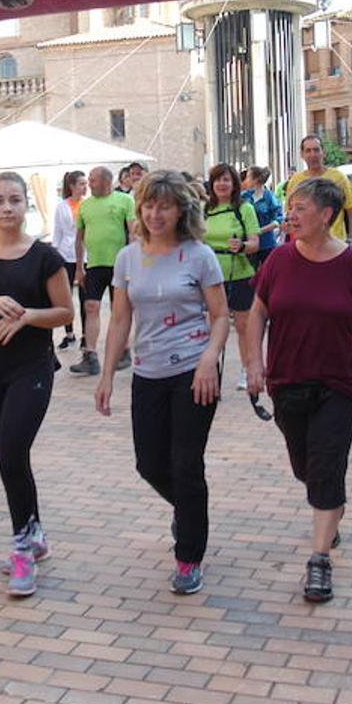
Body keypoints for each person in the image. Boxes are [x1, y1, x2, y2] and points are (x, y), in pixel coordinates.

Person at [246, 176, 352, 604]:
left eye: (301, 207)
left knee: (326, 464)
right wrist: (254, 362)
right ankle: (330, 504)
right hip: (287, 379)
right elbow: (257, 314)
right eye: (291, 207)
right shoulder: (279, 261)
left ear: (327, 215)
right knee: (305, 467)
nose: (292, 215)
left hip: (339, 382)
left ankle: (319, 560)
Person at [95, 171, 229, 595]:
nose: (155, 214)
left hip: (194, 372)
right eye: (149, 205)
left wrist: (211, 357)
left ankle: (188, 555)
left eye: (164, 206)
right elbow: (119, 320)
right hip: (148, 373)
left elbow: (221, 316)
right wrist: (106, 375)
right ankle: (191, 511)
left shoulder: (199, 255)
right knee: (149, 464)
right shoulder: (128, 259)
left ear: (180, 210)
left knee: (187, 465)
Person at [0, 172, 74, 597]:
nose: (7, 208)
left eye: (15, 200)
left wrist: (25, 316)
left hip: (33, 368)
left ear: (27, 206)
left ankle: (22, 547)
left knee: (10, 451)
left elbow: (64, 313)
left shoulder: (45, 257)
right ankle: (35, 531)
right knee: (12, 455)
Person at [70, 166, 136, 376]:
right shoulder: (85, 205)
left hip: (120, 263)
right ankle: (90, 355)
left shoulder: (125, 201)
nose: (89, 183)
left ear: (107, 181)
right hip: (95, 264)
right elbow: (79, 238)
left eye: (93, 180)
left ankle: (124, 350)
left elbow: (133, 232)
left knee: (120, 309)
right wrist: (79, 267)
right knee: (91, 306)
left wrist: (133, 262)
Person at [203, 164, 260, 390]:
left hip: (240, 272)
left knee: (244, 325)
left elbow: (255, 243)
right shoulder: (204, 209)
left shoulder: (244, 208)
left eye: (226, 180)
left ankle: (247, 369)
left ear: (234, 184)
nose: (221, 184)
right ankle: (210, 368)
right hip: (211, 275)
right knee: (213, 323)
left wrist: (242, 245)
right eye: (217, 180)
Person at [284, 135, 352, 244]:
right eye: (308, 151)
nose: (313, 154)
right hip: (305, 244)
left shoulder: (339, 177)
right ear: (302, 155)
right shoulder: (295, 180)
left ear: (323, 152)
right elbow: (289, 212)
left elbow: (351, 211)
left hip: (336, 243)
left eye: (316, 150)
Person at [52, 170, 87, 350]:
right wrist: (55, 253)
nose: (84, 187)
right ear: (72, 186)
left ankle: (86, 335)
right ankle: (69, 333)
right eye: (81, 183)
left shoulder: (88, 204)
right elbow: (57, 231)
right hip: (66, 254)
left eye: (85, 183)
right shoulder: (61, 206)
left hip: (86, 255)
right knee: (66, 297)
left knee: (85, 297)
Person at [240, 166, 282, 268]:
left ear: (256, 180)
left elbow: (278, 219)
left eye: (248, 177)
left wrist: (261, 230)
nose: (246, 180)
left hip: (267, 243)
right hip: (249, 243)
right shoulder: (244, 196)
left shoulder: (270, 197)